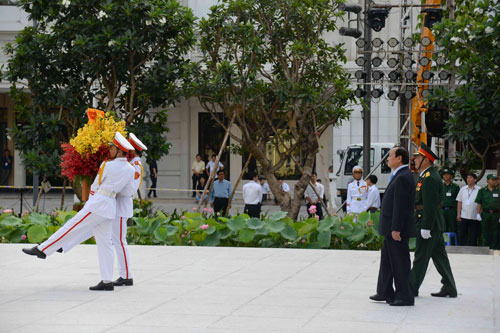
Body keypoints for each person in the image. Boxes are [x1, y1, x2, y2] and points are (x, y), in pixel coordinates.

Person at [22, 132, 135, 291]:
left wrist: (91, 201)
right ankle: (107, 281)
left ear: (119, 151)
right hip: (110, 206)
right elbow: (128, 190)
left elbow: (96, 185)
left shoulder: (107, 165)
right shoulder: (130, 169)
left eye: (112, 148)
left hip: (98, 203)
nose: (109, 150)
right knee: (105, 243)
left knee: (71, 227)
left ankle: (43, 249)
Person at [61, 133, 147, 287]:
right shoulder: (128, 164)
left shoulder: (135, 166)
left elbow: (130, 190)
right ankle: (65, 245)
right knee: (96, 230)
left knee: (119, 240)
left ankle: (126, 276)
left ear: (133, 150)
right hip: (112, 205)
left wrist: (112, 188)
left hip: (120, 207)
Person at [409, 143, 457, 298]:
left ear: (427, 161)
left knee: (421, 256)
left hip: (429, 222)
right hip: (432, 222)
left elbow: (430, 204)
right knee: (439, 257)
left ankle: (411, 288)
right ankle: (449, 286)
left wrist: (425, 226)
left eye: (418, 158)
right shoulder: (426, 175)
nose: (415, 160)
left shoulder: (430, 177)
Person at [371, 146, 416, 306]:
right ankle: (384, 291)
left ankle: (404, 296)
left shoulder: (403, 177)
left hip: (396, 229)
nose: (387, 158)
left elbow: (400, 206)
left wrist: (396, 228)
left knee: (400, 262)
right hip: (390, 227)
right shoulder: (398, 175)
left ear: (399, 158)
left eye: (389, 156)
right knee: (387, 261)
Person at [476, 174, 500, 249]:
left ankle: (494, 248)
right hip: (485, 213)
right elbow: (479, 203)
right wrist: (478, 214)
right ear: (487, 181)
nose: (494, 181)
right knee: (485, 231)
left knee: (495, 232)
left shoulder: (498, 190)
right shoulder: (482, 191)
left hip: (496, 214)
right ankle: (485, 247)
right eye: (492, 179)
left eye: (495, 179)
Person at [456, 173, 481, 246]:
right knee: (462, 233)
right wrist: (458, 214)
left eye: (470, 178)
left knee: (473, 234)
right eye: (468, 178)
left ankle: (473, 248)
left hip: (474, 216)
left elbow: (481, 203)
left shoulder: (479, 189)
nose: (468, 179)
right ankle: (461, 247)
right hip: (464, 215)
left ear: (475, 180)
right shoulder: (462, 189)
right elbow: (459, 202)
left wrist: (479, 214)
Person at [441, 168, 460, 236]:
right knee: (443, 228)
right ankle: (445, 244)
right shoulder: (440, 186)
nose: (446, 176)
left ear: (451, 176)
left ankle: (453, 244)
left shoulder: (455, 187)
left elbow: (458, 200)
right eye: (444, 175)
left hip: (452, 210)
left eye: (447, 174)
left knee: (453, 228)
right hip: (443, 210)